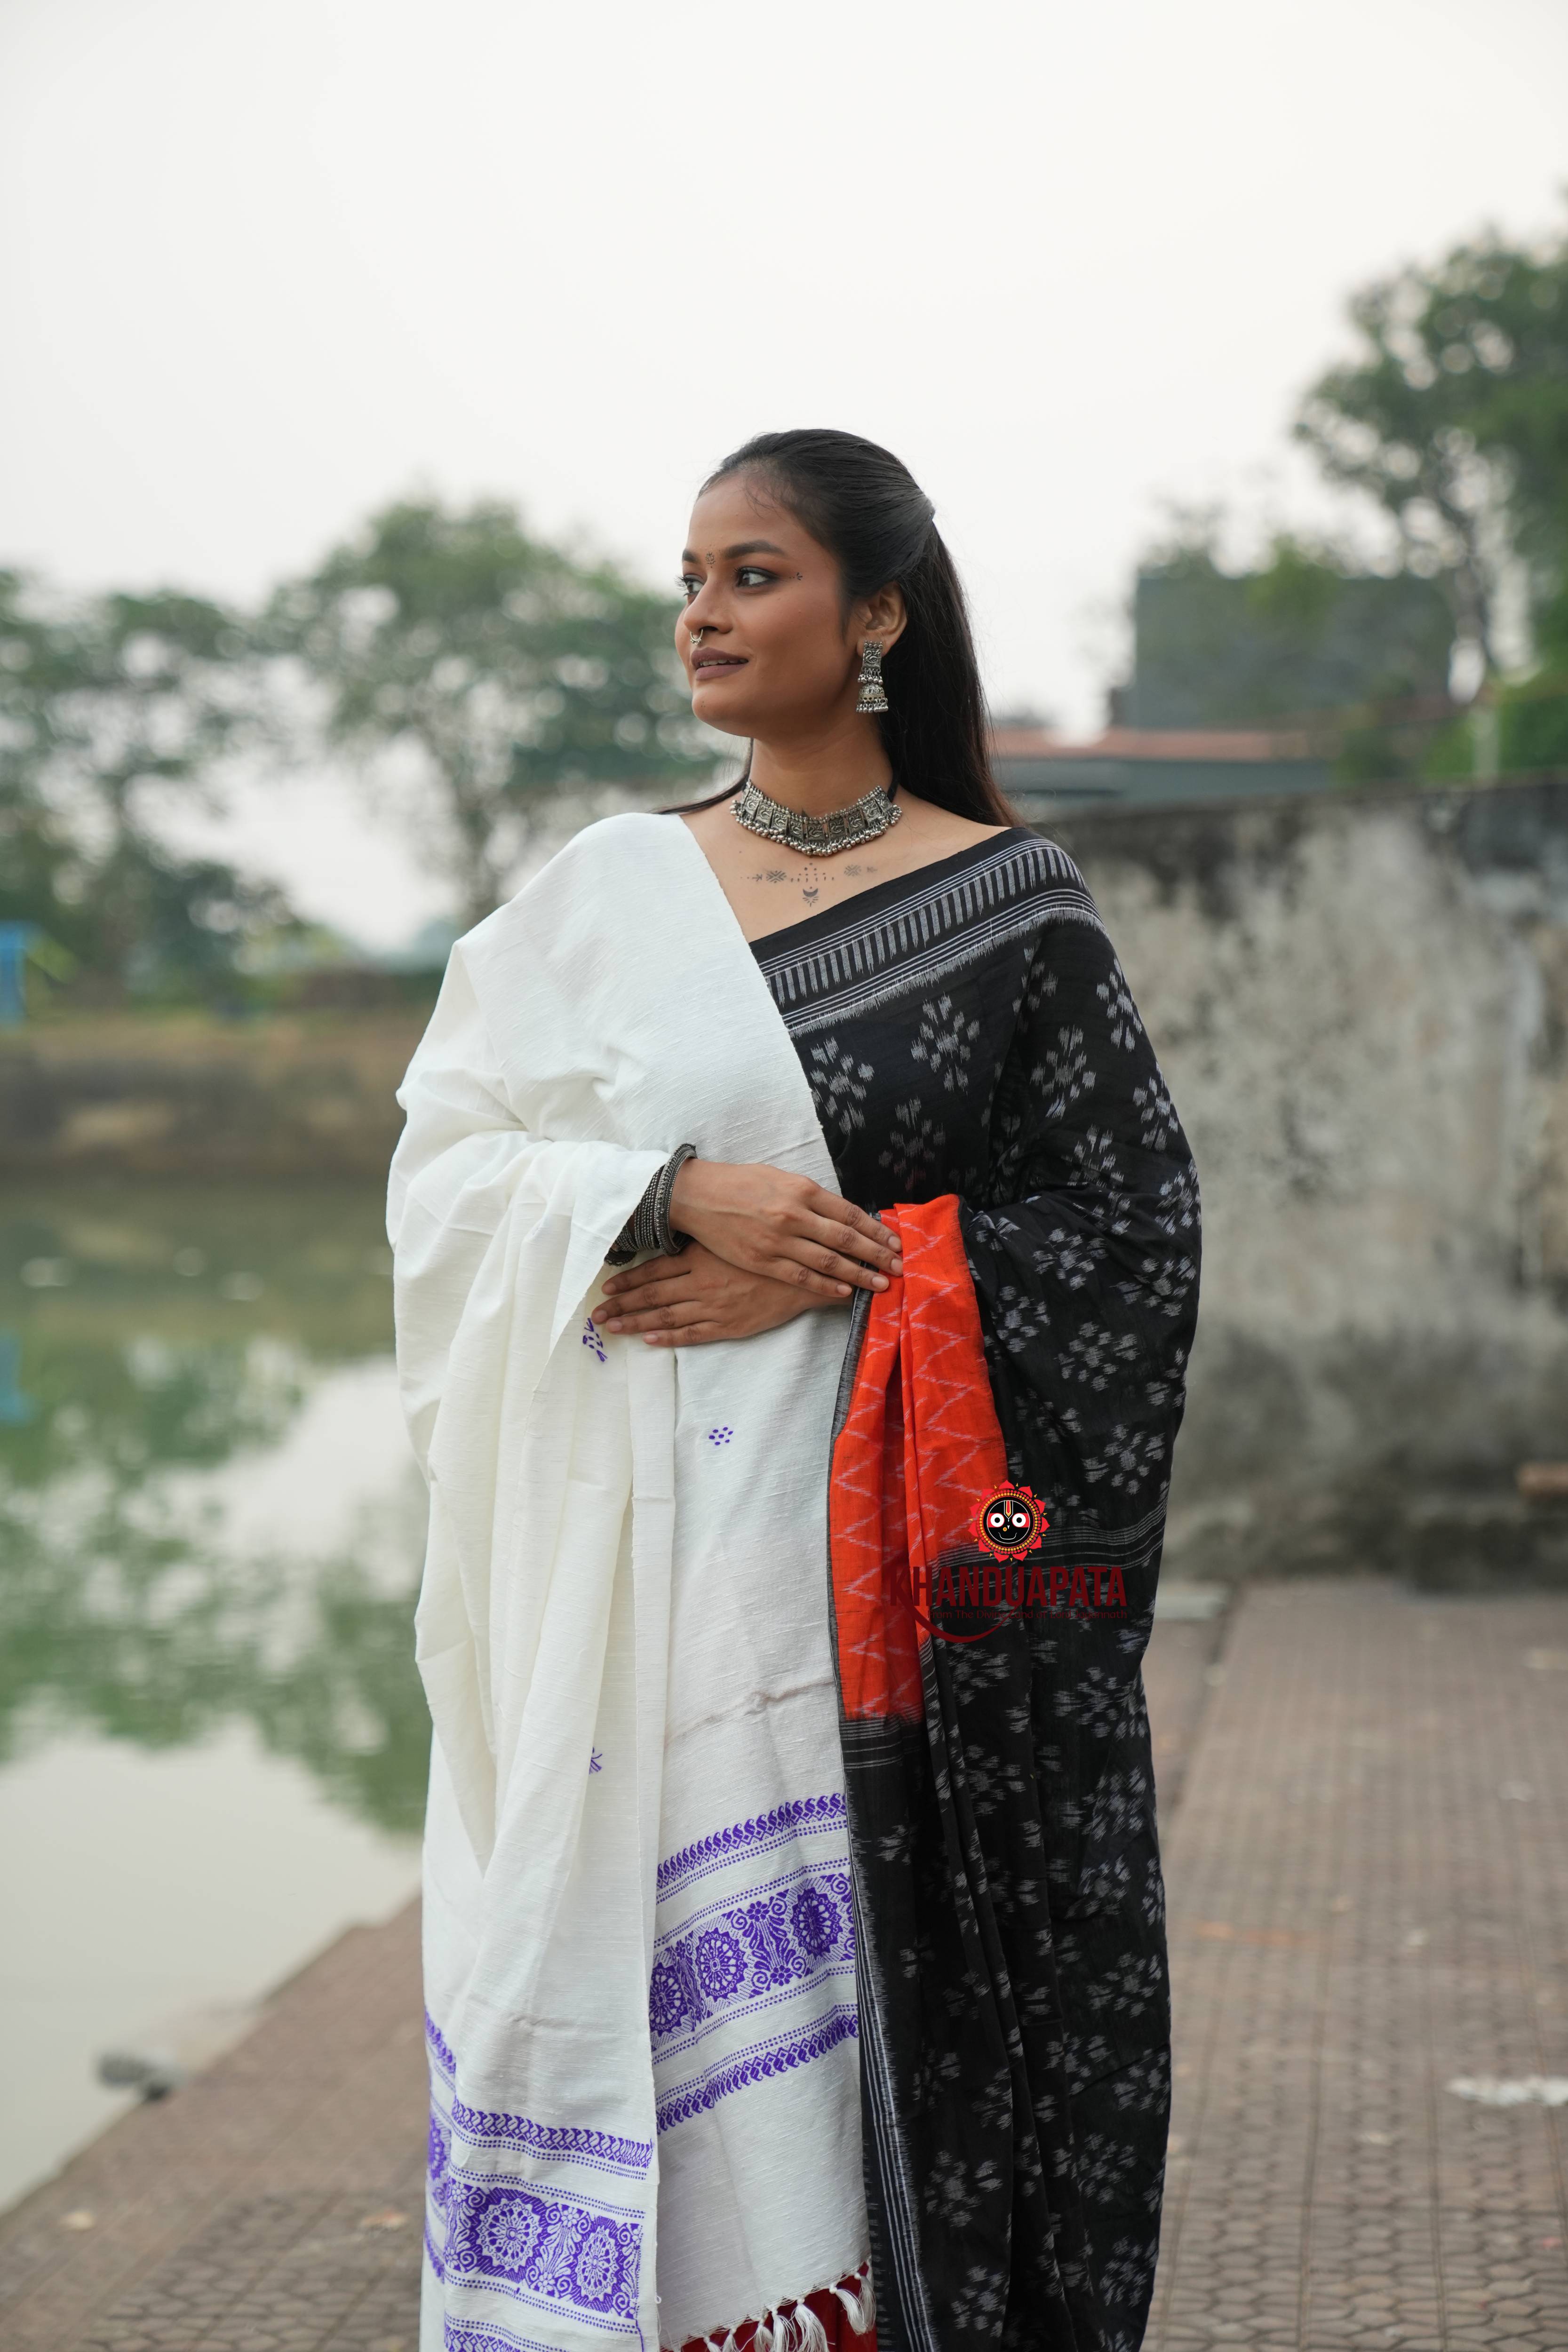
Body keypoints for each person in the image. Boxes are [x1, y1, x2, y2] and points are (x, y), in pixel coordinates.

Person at [389, 429, 1201, 2352]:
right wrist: (673, 1194)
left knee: (867, 2083)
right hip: (639, 1610)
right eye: (690, 574)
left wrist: (869, 1275)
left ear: (881, 615)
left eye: (754, 573)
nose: (703, 611)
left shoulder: (1013, 907)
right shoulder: (609, 893)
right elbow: (442, 1170)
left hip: (880, 1622)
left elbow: (1130, 1246)